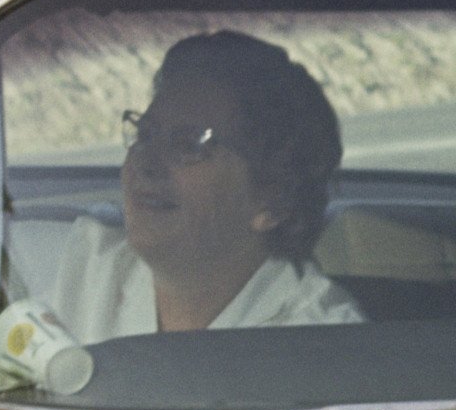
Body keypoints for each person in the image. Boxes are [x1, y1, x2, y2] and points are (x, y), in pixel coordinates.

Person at [19, 30, 364, 344]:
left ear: (271, 201)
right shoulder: (85, 269)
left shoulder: (323, 344)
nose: (146, 163)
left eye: (189, 145)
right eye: (145, 135)